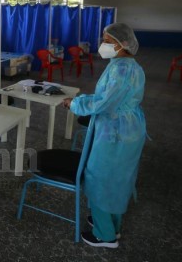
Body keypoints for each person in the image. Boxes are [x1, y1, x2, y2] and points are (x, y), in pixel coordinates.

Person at [62, 22, 146, 249]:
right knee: (118, 179)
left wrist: (75, 103)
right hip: (127, 128)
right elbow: (109, 96)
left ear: (123, 44)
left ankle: (105, 235)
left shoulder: (121, 69)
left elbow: (103, 102)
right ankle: (111, 223)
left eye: (108, 42)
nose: (103, 45)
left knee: (101, 177)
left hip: (116, 132)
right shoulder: (128, 64)